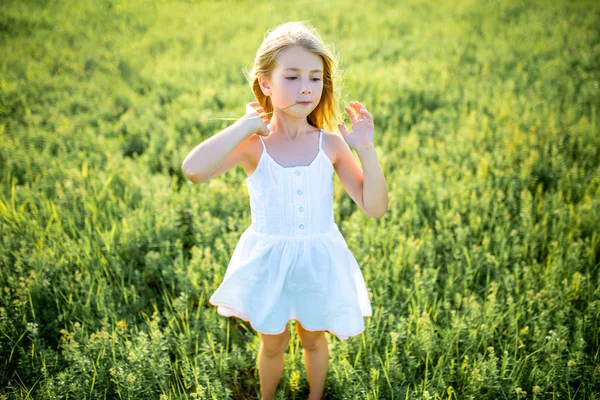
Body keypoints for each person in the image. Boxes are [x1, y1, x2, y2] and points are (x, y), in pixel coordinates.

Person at [181, 21, 388, 400]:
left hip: (317, 261)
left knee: (314, 340)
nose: (306, 87)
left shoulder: (331, 144)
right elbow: (193, 170)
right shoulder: (253, 146)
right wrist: (244, 125)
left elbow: (374, 207)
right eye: (291, 77)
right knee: (272, 343)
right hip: (269, 263)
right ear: (265, 83)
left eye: (315, 77)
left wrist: (366, 149)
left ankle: (315, 396)